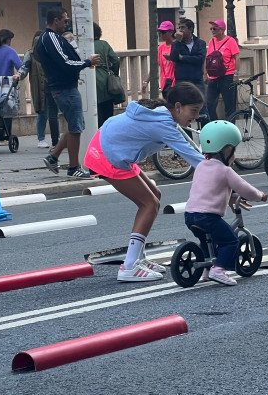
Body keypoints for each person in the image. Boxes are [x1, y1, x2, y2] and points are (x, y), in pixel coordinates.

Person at [84, 83, 206, 281]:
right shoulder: (163, 123)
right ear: (177, 106)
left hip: (111, 148)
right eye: (194, 111)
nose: (196, 117)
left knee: (155, 196)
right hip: (109, 154)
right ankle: (129, 267)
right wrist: (227, 182)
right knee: (148, 204)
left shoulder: (162, 115)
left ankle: (138, 258)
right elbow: (194, 158)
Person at [184, 120, 268, 285]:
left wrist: (230, 195)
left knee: (208, 240)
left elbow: (210, 187)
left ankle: (206, 270)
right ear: (226, 149)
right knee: (230, 241)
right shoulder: (225, 170)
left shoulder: (201, 166)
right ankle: (219, 270)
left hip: (190, 215)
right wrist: (260, 196)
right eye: (234, 150)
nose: (234, 156)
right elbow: (245, 189)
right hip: (208, 217)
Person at [37, 7, 100, 178]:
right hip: (65, 87)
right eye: (65, 20)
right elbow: (65, 63)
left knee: (75, 125)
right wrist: (87, 62)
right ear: (56, 20)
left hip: (62, 87)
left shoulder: (49, 38)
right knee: (75, 128)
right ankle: (74, 167)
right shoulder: (51, 38)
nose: (66, 23)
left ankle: (53, 156)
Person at [18, 31, 59, 149]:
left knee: (53, 113)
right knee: (42, 112)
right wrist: (20, 75)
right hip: (38, 86)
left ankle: (56, 139)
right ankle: (41, 138)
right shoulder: (30, 54)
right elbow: (24, 67)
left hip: (51, 84)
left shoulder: (51, 53)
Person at [0, 29, 22, 145]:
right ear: (8, 39)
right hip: (6, 84)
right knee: (7, 109)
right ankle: (6, 134)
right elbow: (20, 66)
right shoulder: (10, 51)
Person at [170, 19, 208, 124]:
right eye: (179, 27)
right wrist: (177, 42)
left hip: (197, 79)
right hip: (182, 80)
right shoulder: (176, 44)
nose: (180, 30)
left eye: (183, 27)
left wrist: (183, 58)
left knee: (203, 106)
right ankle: (187, 137)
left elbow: (200, 59)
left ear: (190, 29)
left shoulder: (200, 43)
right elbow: (173, 57)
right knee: (183, 109)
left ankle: (206, 136)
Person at [205, 19, 240, 121]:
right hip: (214, 76)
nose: (212, 30)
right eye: (211, 28)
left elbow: (237, 57)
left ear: (222, 30)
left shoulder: (230, 41)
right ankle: (215, 126)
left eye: (214, 28)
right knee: (209, 103)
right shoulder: (211, 41)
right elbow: (208, 58)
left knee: (229, 106)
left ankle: (230, 130)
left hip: (227, 76)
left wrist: (236, 74)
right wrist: (205, 73)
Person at [93, 23, 120, 127]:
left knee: (96, 111)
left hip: (90, 81)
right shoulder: (104, 44)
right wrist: (114, 73)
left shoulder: (84, 45)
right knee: (108, 110)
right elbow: (115, 60)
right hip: (105, 80)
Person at [144, 21, 176, 99]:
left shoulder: (177, 46)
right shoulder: (160, 48)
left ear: (171, 32)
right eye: (160, 32)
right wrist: (146, 82)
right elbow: (154, 67)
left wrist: (172, 57)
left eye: (163, 32)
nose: (161, 34)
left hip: (175, 83)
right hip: (164, 84)